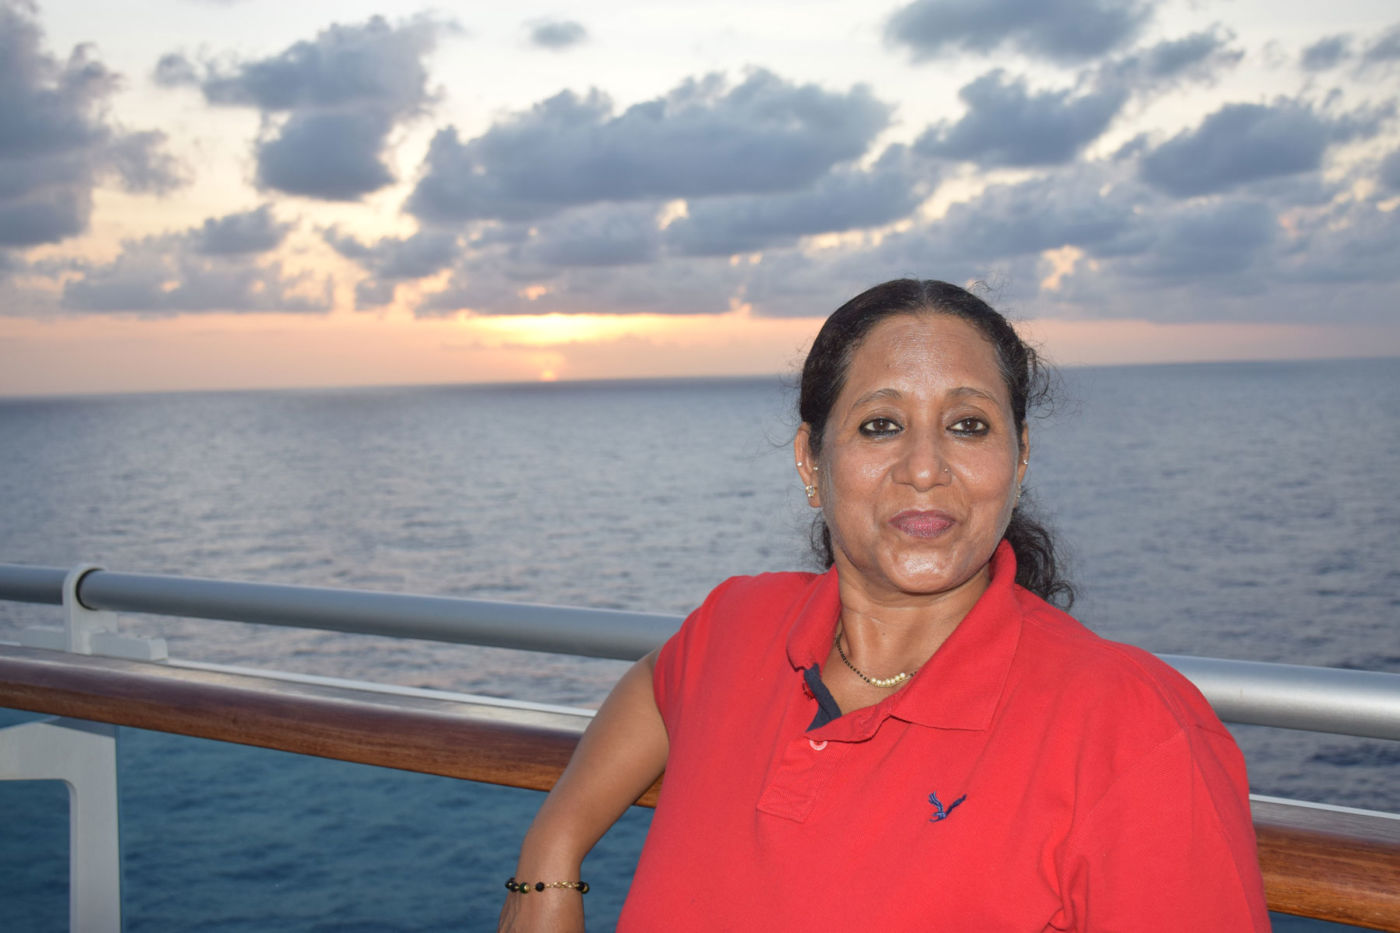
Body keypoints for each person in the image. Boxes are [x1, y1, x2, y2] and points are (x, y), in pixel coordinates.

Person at [498, 279, 1270, 932]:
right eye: (881, 425)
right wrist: (551, 853)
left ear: (1020, 456)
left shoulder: (1133, 730)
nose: (925, 467)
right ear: (811, 460)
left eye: (968, 425)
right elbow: (655, 682)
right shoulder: (740, 624)